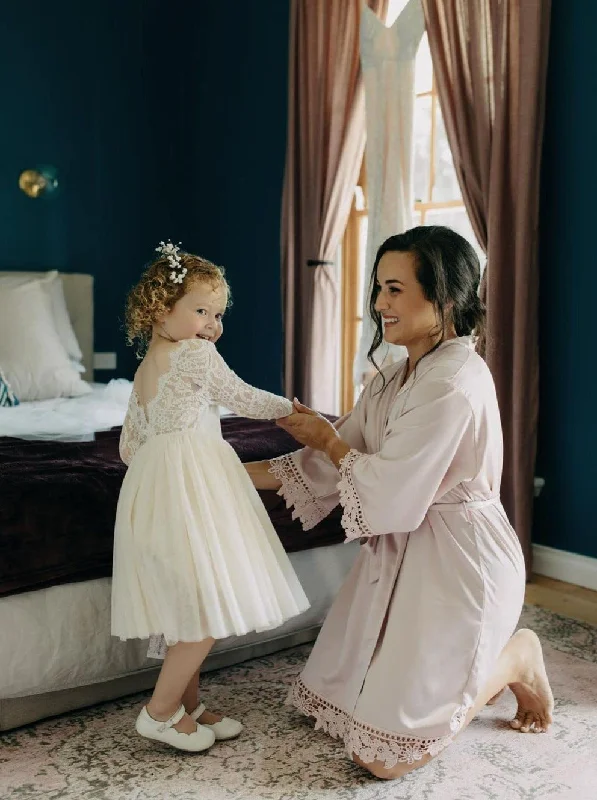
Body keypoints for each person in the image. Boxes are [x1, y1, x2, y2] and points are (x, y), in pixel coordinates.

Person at [246, 226, 553, 780]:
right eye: (378, 289)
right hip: (404, 555)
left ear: (446, 299)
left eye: (394, 289)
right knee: (332, 703)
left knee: (380, 758)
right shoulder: (392, 379)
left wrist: (328, 439)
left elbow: (384, 485)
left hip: (461, 568)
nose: (380, 304)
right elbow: (322, 467)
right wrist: (214, 472)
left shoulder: (453, 382)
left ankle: (515, 657)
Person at [111, 241, 309, 753]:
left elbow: (129, 447)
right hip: (191, 486)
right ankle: (157, 712)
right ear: (161, 308)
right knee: (204, 607)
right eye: (201, 311)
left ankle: (186, 707)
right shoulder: (196, 354)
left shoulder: (142, 371)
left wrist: (163, 467)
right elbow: (241, 396)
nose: (212, 325)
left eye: (217, 315)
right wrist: (292, 410)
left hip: (152, 491)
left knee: (188, 602)